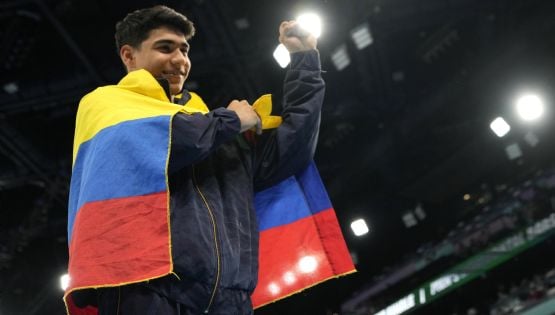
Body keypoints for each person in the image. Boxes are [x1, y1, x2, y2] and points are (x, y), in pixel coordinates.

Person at [65, 4, 324, 315]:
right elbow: (173, 141)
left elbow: (289, 154)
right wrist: (231, 120)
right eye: (165, 48)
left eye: (184, 50)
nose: (180, 60)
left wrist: (304, 63)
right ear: (128, 56)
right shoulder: (105, 105)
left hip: (229, 301)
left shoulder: (208, 126)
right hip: (148, 288)